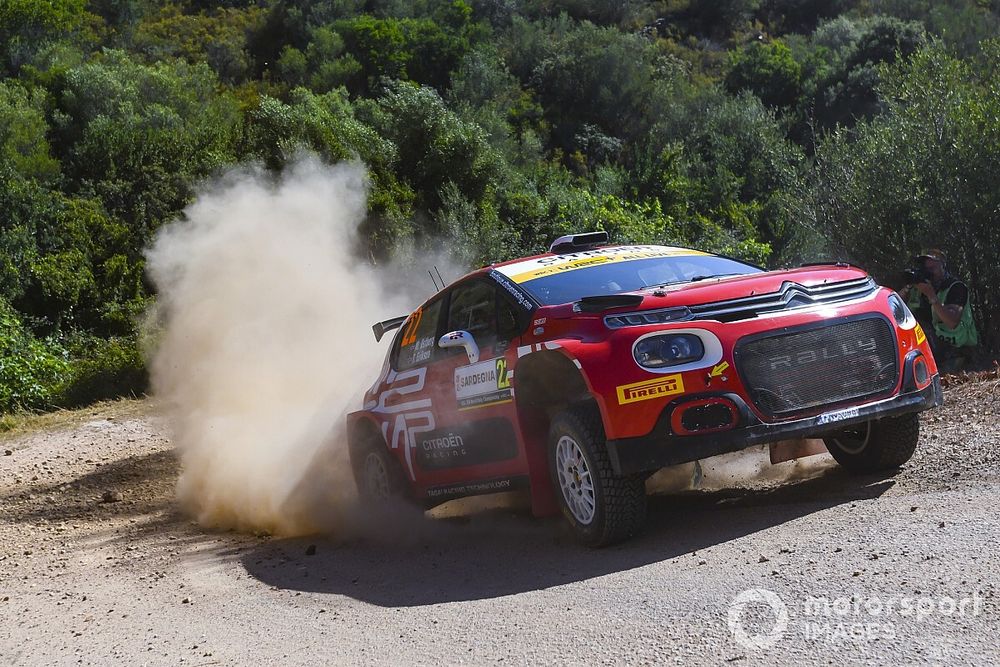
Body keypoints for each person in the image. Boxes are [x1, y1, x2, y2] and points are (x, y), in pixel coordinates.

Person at [901, 249, 979, 373]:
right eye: (926, 269)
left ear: (943, 267)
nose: (929, 272)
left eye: (933, 268)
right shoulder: (918, 289)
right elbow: (895, 307)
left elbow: (952, 322)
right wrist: (909, 285)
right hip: (929, 345)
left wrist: (931, 296)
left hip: (956, 347)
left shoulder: (956, 287)